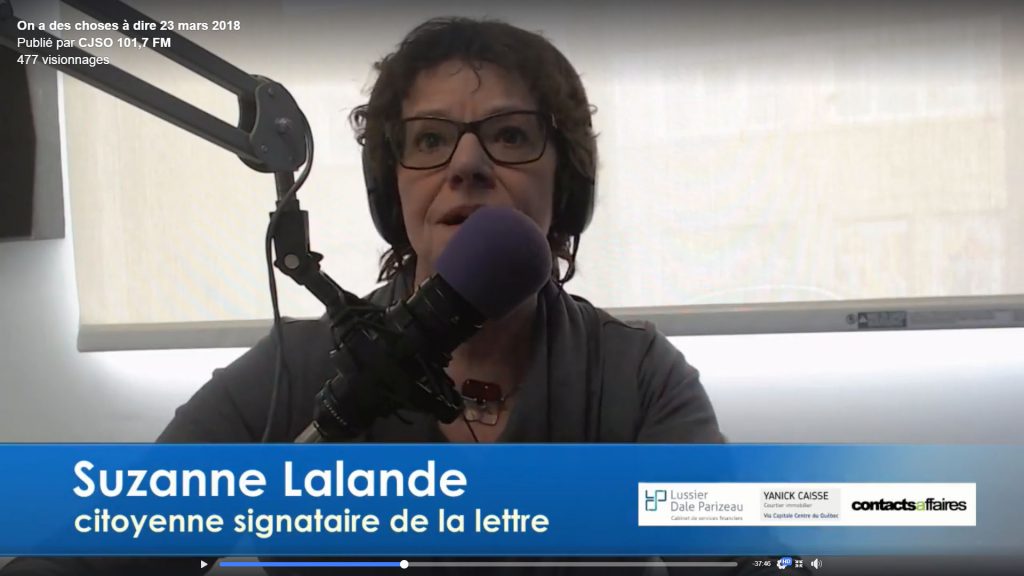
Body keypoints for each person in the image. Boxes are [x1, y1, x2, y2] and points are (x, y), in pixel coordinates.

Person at [2, 17, 803, 576]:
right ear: (395, 191)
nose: (467, 166)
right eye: (429, 140)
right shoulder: (295, 371)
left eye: (511, 135)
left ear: (566, 184)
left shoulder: (634, 377)